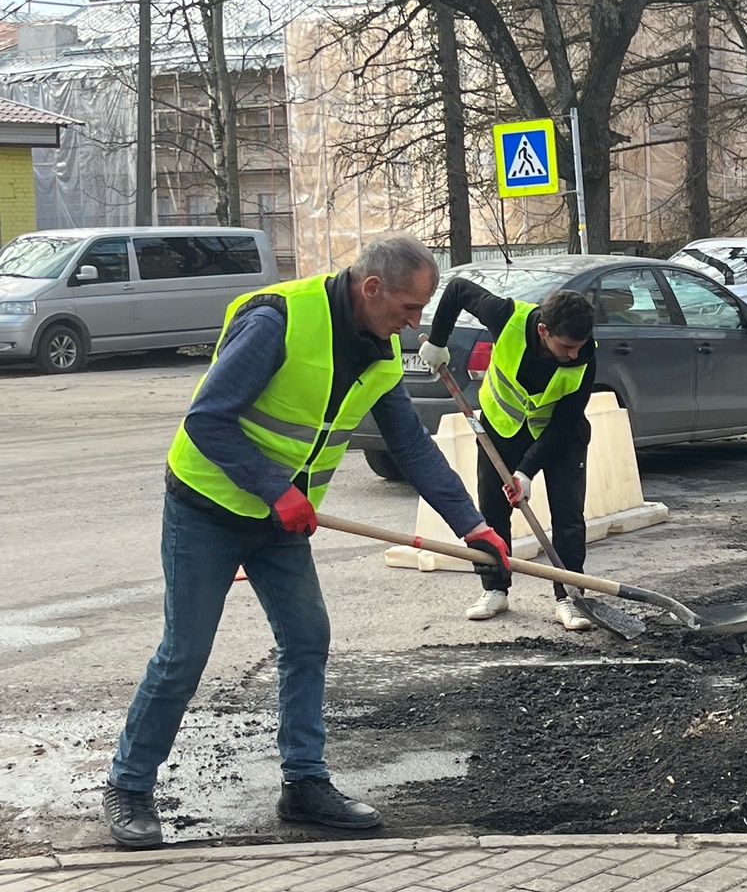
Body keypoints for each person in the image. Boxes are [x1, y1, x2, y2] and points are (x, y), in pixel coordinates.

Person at [102, 233, 511, 849]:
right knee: (184, 652)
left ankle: (304, 784)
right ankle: (129, 786)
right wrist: (275, 487)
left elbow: (411, 446)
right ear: (371, 289)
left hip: (281, 522)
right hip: (208, 507)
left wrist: (472, 524)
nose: (415, 322)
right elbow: (207, 419)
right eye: (407, 308)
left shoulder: (377, 350)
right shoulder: (279, 320)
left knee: (306, 639)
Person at [418, 280, 597, 631]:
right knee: (492, 511)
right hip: (500, 429)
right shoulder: (506, 317)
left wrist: (527, 472)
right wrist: (438, 342)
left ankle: (569, 596)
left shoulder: (585, 355)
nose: (574, 354)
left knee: (568, 515)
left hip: (560, 436)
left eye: (579, 346)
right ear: (543, 330)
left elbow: (564, 422)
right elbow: (456, 290)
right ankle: (495, 588)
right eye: (567, 347)